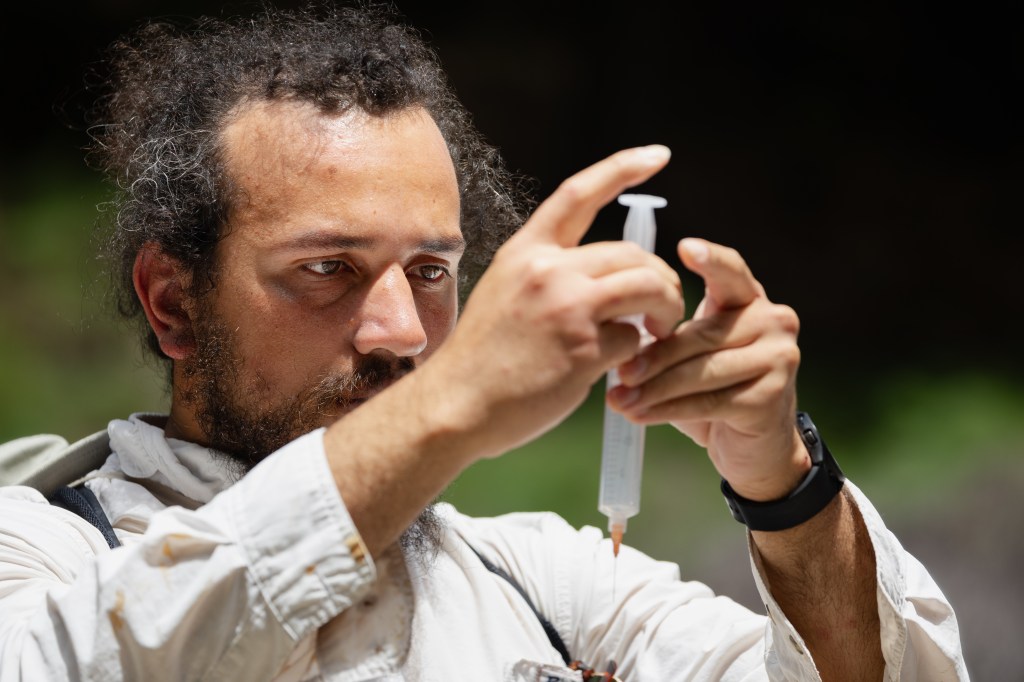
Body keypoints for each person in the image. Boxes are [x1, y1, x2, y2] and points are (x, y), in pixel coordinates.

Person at [0, 2, 966, 680]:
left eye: (430, 272)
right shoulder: (43, 551)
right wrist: (453, 403)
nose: (402, 334)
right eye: (326, 270)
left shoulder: (541, 580)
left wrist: (784, 483)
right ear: (172, 302)